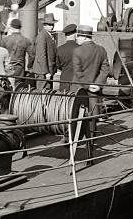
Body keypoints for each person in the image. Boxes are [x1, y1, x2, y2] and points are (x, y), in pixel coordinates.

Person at [71, 25, 110, 166]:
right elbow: (105, 69)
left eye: (78, 36)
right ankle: (90, 152)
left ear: (83, 36)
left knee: (74, 120)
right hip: (95, 93)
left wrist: (87, 86)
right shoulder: (101, 50)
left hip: (79, 92)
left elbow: (78, 73)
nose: (77, 39)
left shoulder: (77, 51)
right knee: (92, 121)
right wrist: (97, 85)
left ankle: (73, 152)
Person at [1, 19, 33, 87]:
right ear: (20, 27)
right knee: (18, 87)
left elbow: (1, 55)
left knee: (7, 86)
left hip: (7, 67)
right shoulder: (26, 41)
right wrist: (30, 67)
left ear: (11, 27)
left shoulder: (5, 40)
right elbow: (32, 55)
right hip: (20, 68)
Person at [29, 13, 58, 90]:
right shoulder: (42, 36)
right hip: (43, 72)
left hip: (47, 70)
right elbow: (41, 55)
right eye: (49, 24)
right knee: (43, 94)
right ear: (44, 25)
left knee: (47, 93)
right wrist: (46, 72)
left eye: (52, 24)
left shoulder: (48, 35)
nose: (52, 26)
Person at [56, 24, 79, 91]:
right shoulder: (81, 48)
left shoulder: (60, 49)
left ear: (66, 35)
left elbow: (57, 65)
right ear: (75, 34)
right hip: (77, 80)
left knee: (65, 99)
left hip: (64, 79)